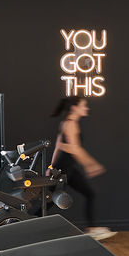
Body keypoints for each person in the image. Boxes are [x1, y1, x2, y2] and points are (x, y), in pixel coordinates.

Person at [51, 97, 114, 239]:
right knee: (48, 201)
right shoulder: (71, 124)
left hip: (67, 168)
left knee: (89, 194)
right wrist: (90, 165)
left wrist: (51, 166)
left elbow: (60, 146)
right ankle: (22, 227)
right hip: (64, 169)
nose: (86, 108)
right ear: (74, 108)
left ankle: (92, 229)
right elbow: (74, 149)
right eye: (84, 106)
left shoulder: (67, 123)